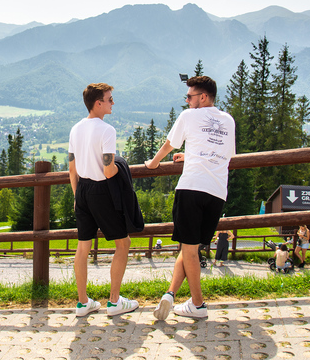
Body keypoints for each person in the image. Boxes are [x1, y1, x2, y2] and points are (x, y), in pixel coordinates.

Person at [146, 75, 235, 320]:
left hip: (191, 187)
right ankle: (170, 294)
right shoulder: (228, 120)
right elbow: (223, 154)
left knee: (190, 249)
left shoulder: (188, 116)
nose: (186, 101)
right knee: (190, 248)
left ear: (203, 97)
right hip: (217, 192)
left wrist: (153, 164)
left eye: (190, 96)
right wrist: (192, 155)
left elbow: (168, 145)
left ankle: (198, 304)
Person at [69, 82, 138, 317]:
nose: (112, 103)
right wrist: (123, 167)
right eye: (109, 99)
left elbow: (72, 169)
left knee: (83, 247)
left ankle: (82, 303)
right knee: (123, 243)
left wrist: (77, 196)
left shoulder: (75, 129)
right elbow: (109, 171)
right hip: (101, 191)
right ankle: (114, 302)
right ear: (98, 103)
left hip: (83, 190)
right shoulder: (107, 130)